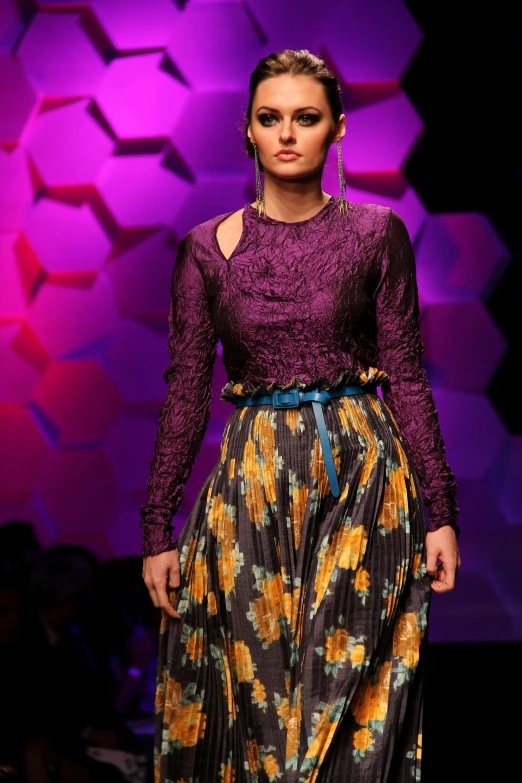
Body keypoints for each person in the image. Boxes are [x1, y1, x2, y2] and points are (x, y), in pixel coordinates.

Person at [141, 49, 461, 783]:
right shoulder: (205, 249)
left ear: (337, 130)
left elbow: (406, 375)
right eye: (270, 118)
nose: (287, 133)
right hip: (252, 487)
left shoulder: (377, 235)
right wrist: (157, 527)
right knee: (260, 708)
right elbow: (187, 389)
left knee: (351, 698)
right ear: (247, 131)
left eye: (306, 118)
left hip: (364, 480)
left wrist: (441, 511)